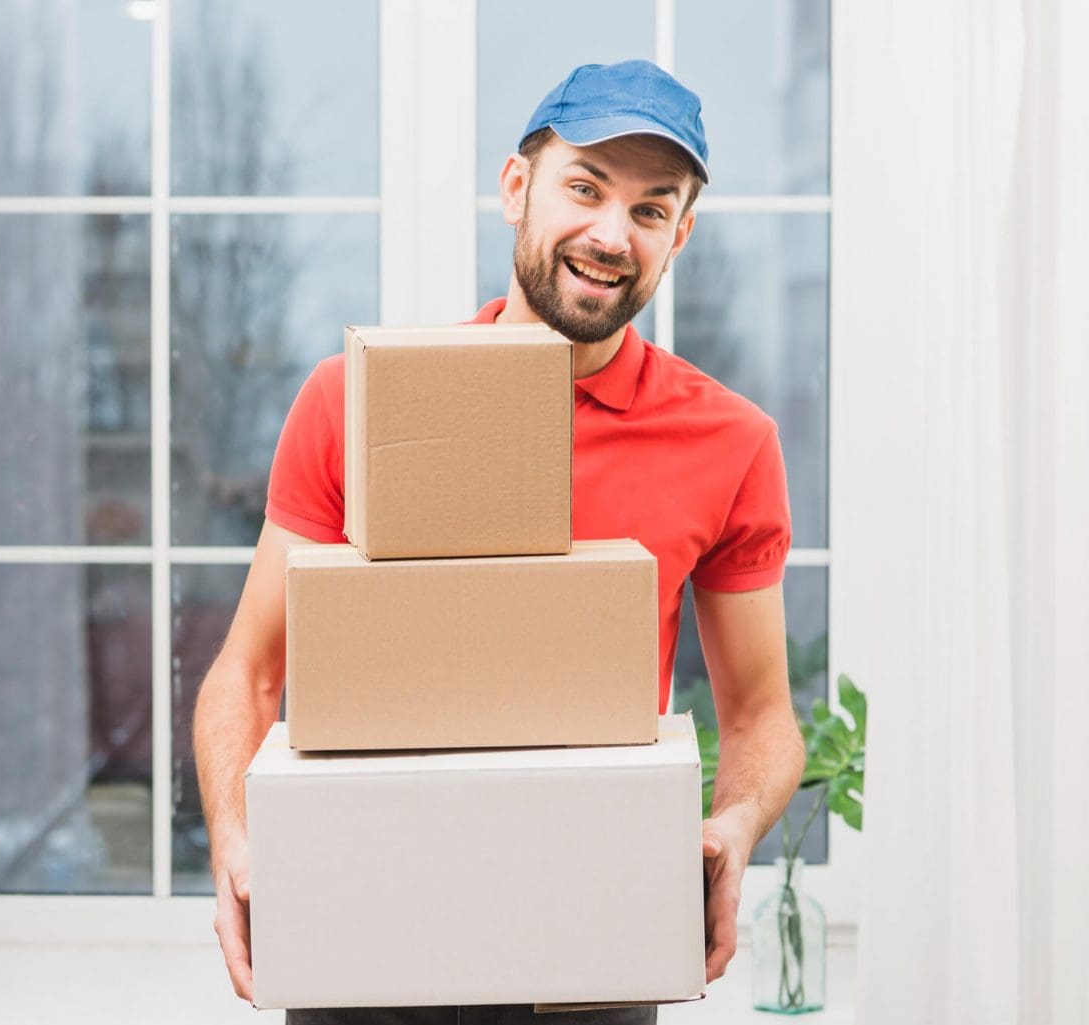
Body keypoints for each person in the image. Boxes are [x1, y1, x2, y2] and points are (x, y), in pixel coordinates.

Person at [192, 60, 806, 1025]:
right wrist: (235, 834)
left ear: (678, 237)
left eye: (651, 211)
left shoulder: (729, 442)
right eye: (585, 187)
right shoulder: (356, 403)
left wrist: (731, 825)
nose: (611, 235)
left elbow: (763, 711)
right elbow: (248, 671)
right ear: (517, 189)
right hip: (366, 916)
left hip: (590, 940)